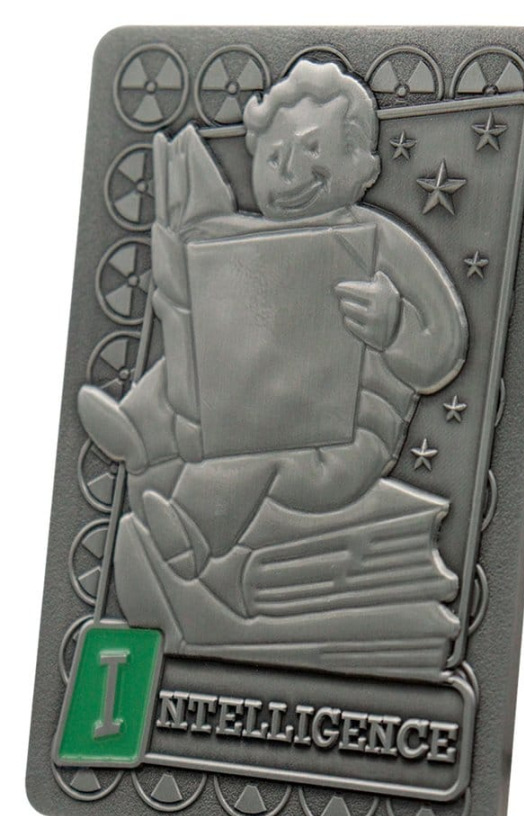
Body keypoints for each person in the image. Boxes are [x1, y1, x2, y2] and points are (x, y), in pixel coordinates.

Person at [78, 61, 468, 675]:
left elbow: (444, 345)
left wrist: (395, 329)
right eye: (273, 156)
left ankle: (191, 533)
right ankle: (140, 428)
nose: (288, 171)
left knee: (259, 445)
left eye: (310, 151)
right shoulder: (250, 243)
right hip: (256, 405)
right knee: (198, 362)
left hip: (340, 442)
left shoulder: (378, 241)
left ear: (362, 165)